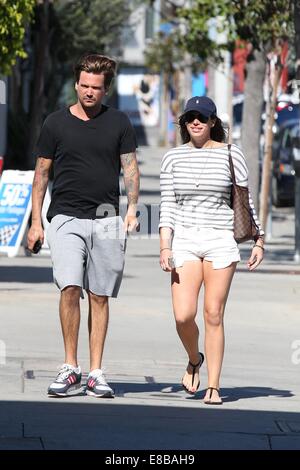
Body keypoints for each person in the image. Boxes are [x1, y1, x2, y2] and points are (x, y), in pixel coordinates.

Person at [27, 53, 139, 398]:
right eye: (85, 86)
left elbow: (130, 169)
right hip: (65, 216)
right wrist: (35, 222)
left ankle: (95, 372)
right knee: (70, 287)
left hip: (106, 218)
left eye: (97, 88)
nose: (89, 92)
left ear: (106, 89)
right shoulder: (55, 124)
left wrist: (133, 208)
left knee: (100, 295)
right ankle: (70, 366)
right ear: (76, 84)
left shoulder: (119, 123)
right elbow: (41, 174)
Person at [159, 96, 264, 404]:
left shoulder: (232, 154)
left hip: (220, 239)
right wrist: (165, 245)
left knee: (213, 314)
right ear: (183, 122)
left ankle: (214, 386)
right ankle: (194, 358)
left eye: (202, 117)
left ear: (213, 122)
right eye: (190, 117)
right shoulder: (173, 158)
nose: (196, 122)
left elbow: (245, 202)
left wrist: (258, 239)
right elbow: (167, 205)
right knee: (183, 315)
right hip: (186, 240)